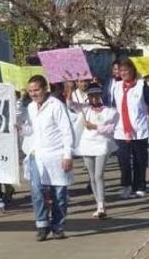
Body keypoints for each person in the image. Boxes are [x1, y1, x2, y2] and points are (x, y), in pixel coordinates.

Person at [22, 75, 75, 241]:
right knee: (37, 191)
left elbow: (67, 131)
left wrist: (68, 155)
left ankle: (58, 226)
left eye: (36, 90)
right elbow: (31, 131)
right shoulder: (30, 107)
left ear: (45, 89)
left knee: (58, 194)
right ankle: (42, 224)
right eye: (30, 91)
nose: (34, 93)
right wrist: (21, 128)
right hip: (36, 155)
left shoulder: (56, 105)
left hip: (56, 155)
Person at [67, 83, 118, 219]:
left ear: (100, 95)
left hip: (102, 144)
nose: (94, 98)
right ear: (88, 97)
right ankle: (98, 204)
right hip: (87, 144)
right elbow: (70, 104)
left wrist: (93, 126)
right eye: (91, 96)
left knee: (98, 175)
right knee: (91, 176)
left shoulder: (109, 111)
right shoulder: (85, 109)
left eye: (96, 95)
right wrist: (71, 89)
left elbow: (110, 128)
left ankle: (102, 206)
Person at [113, 59, 149, 199]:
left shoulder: (142, 85)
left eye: (127, 70)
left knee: (140, 160)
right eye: (122, 71)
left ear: (133, 71)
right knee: (123, 160)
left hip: (139, 128)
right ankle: (126, 185)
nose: (124, 73)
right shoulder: (116, 86)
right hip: (121, 130)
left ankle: (140, 185)